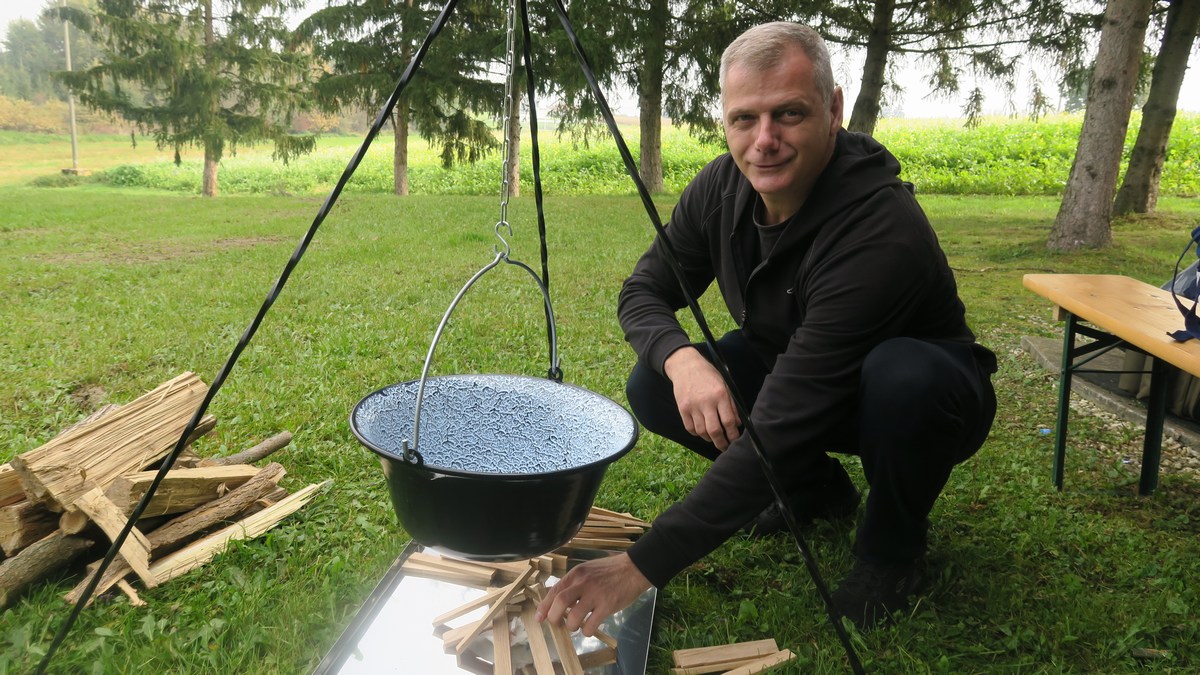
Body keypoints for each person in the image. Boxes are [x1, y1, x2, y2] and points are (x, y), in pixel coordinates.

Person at [536, 21, 997, 635]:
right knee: (654, 384)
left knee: (903, 377)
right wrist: (681, 360)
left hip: (914, 402)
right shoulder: (721, 188)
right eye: (743, 119)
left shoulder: (881, 231)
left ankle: (892, 551)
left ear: (833, 108)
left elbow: (784, 419)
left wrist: (642, 565)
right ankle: (816, 493)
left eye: (789, 113)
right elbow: (644, 291)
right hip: (797, 377)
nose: (764, 141)